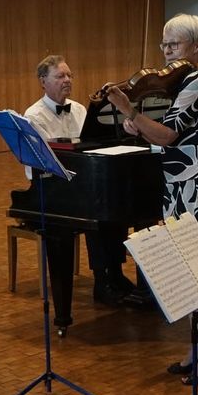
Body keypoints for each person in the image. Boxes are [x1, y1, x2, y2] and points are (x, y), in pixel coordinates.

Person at [105, 13, 198, 386]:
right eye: (164, 44)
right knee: (184, 271)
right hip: (176, 183)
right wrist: (137, 123)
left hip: (196, 185)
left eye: (174, 43)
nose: (167, 51)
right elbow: (160, 133)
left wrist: (131, 112)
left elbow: (169, 135)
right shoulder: (180, 82)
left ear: (197, 46)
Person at [22, 54, 136, 335]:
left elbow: (92, 144)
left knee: (113, 202)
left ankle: (115, 274)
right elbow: (38, 164)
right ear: (43, 82)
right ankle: (102, 281)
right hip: (51, 187)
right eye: (60, 76)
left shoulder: (81, 109)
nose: (67, 81)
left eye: (69, 75)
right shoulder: (33, 116)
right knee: (95, 209)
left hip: (84, 183)